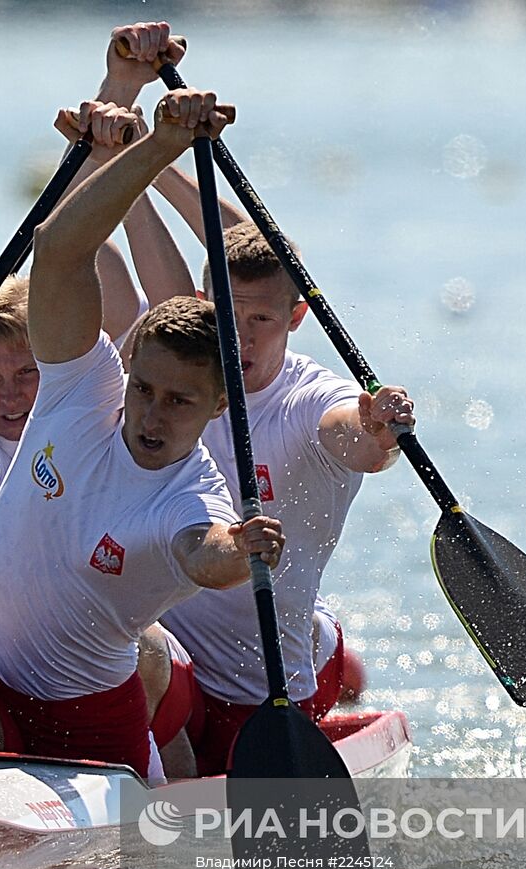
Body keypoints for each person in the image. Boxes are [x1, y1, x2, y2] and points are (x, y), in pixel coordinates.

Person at [0, 91, 286, 786]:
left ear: (219, 405)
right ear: (126, 373)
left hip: (93, 726)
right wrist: (154, 146)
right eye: (144, 390)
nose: (151, 416)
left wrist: (241, 551)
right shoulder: (80, 390)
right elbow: (59, 249)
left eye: (179, 401)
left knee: (151, 662)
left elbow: (205, 553)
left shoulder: (192, 493)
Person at [100, 29, 417, 774]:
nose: (239, 337)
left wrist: (379, 429)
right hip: (167, 674)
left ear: (296, 319)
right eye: (228, 314)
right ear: (208, 302)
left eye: (263, 321)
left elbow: (358, 444)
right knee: (138, 650)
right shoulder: (182, 361)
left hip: (264, 696)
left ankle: (329, 656)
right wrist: (136, 122)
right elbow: (112, 212)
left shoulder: (314, 401)